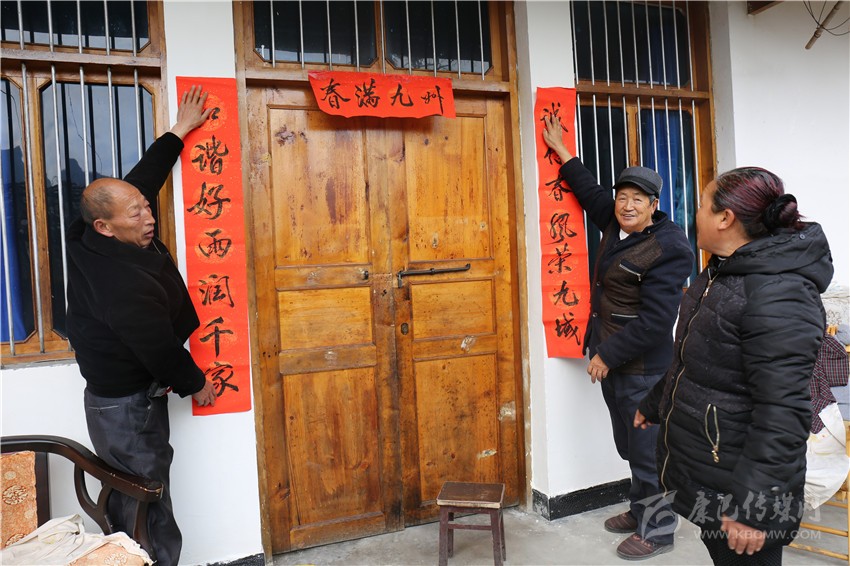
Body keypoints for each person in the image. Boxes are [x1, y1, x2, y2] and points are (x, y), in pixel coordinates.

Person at [635, 167, 833, 564]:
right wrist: (656, 402)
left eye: (702, 206)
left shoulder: (778, 294)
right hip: (714, 471)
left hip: (744, 488)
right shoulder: (723, 270)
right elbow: (699, 355)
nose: (695, 214)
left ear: (725, 218)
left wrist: (754, 509)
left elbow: (783, 413)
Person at [66, 86, 216, 566]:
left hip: (118, 400)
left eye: (147, 207)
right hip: (125, 408)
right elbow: (157, 346)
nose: (149, 216)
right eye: (138, 213)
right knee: (146, 495)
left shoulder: (93, 230)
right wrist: (195, 382)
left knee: (133, 492)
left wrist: (179, 131)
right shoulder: (120, 282)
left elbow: (142, 180)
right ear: (106, 227)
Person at [543, 115, 694, 559]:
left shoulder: (670, 248)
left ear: (654, 205)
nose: (626, 206)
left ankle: (659, 531)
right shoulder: (615, 222)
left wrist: (606, 354)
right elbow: (590, 192)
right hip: (614, 363)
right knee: (629, 445)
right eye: (622, 197)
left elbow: (656, 321)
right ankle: (639, 509)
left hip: (643, 368)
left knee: (648, 451)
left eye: (637, 200)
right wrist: (563, 151)